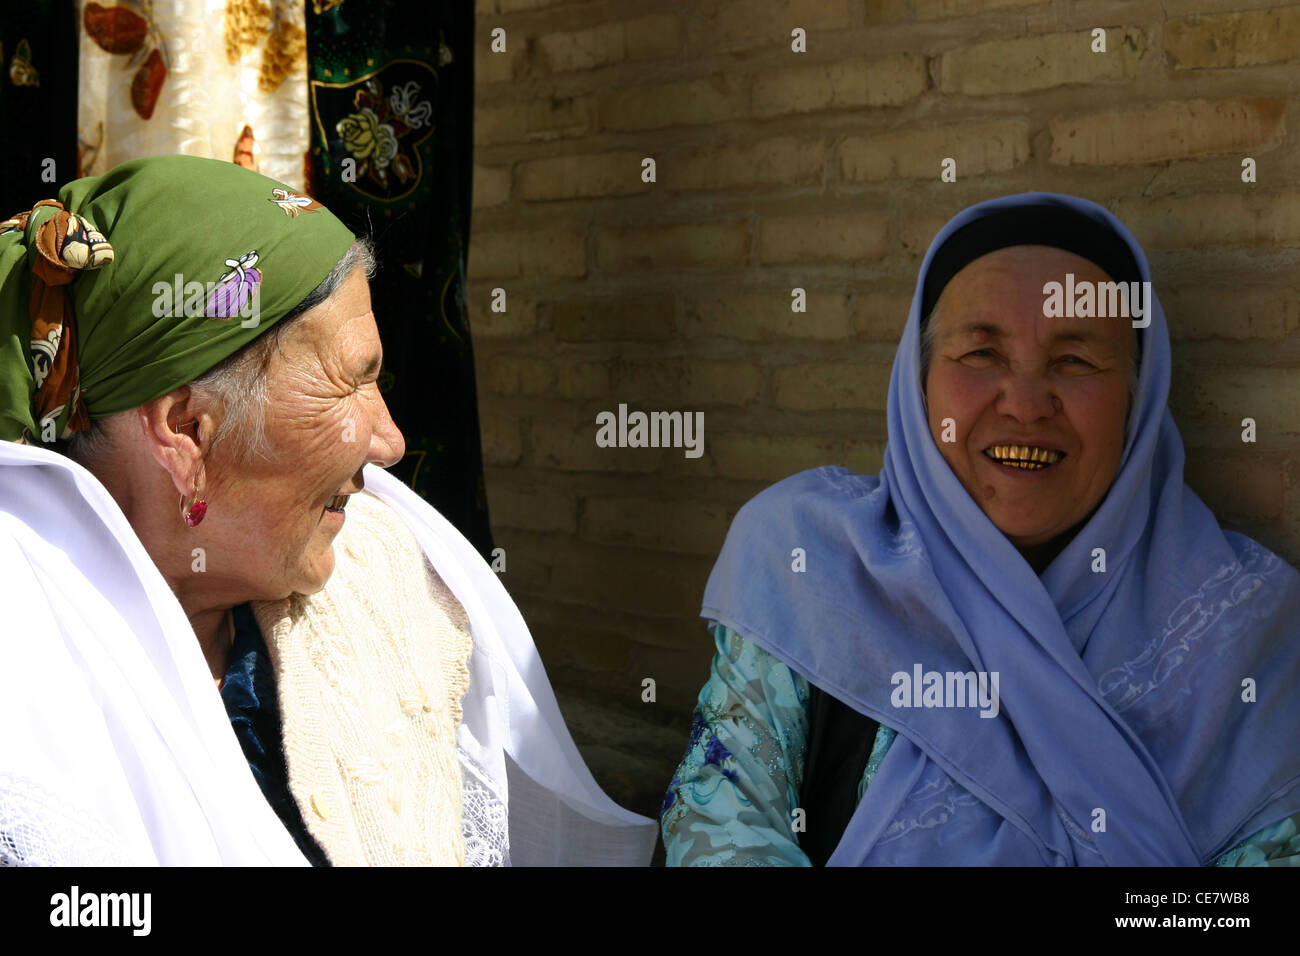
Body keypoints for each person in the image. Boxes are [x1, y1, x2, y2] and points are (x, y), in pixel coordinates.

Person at [0, 155, 655, 866]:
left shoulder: (388, 579)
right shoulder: (30, 694)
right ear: (187, 433)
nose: (392, 442)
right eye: (352, 384)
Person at [660, 193, 1300, 866]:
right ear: (919, 384)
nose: (1024, 404)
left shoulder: (1243, 627)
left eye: (1075, 360)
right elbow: (719, 810)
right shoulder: (807, 559)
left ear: (1137, 404)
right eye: (981, 353)